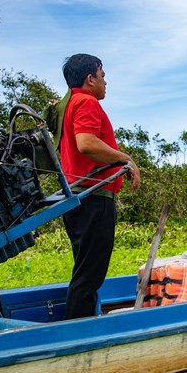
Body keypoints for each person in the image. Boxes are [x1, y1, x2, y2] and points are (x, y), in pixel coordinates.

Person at [60, 53, 140, 319]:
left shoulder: (69, 104)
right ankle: (78, 336)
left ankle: (79, 327)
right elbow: (86, 143)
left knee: (85, 272)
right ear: (89, 78)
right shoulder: (86, 102)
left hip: (79, 199)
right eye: (103, 76)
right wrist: (125, 159)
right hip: (93, 199)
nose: (106, 82)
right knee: (89, 277)